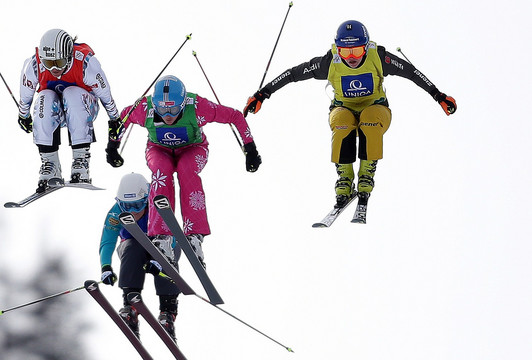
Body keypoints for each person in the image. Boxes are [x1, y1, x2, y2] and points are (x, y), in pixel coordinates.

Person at [244, 20, 457, 209]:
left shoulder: (379, 57)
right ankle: (344, 179)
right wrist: (263, 94)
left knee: (370, 119)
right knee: (341, 122)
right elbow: (293, 74)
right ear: (338, 49)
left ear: (366, 47)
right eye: (346, 52)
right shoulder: (330, 62)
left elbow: (411, 72)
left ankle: (366, 175)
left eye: (356, 51)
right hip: (344, 109)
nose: (352, 58)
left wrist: (438, 95)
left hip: (376, 108)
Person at [106, 75, 262, 267]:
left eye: (173, 109)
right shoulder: (145, 109)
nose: (168, 115)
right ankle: (162, 237)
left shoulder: (197, 107)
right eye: (162, 109)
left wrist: (250, 149)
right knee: (161, 173)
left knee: (186, 171)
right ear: (155, 105)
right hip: (158, 149)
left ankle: (194, 235)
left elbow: (235, 116)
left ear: (183, 104)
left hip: (193, 148)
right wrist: (112, 147)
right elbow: (122, 118)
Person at [18, 28, 121, 193]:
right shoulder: (34, 65)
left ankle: (81, 161)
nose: (53, 69)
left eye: (58, 63)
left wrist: (114, 120)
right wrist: (24, 116)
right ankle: (50, 164)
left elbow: (106, 96)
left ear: (69, 56)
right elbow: (25, 95)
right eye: (48, 63)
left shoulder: (86, 64)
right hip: (54, 112)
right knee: (44, 96)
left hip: (84, 107)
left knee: (71, 92)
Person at [99, 172, 180, 340]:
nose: (132, 212)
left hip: (163, 247)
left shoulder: (157, 206)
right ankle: (130, 307)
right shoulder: (115, 213)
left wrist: (161, 257)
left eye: (136, 205)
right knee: (132, 246)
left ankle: (168, 312)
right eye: (126, 207)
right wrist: (105, 266)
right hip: (133, 251)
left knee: (161, 250)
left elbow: (173, 237)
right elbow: (107, 240)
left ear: (146, 200)